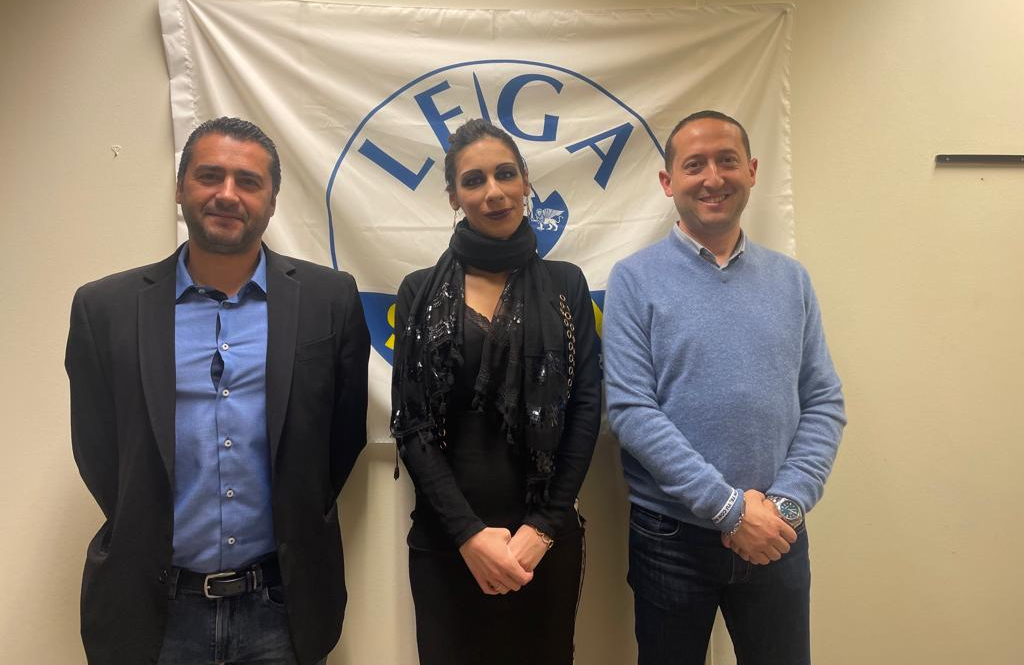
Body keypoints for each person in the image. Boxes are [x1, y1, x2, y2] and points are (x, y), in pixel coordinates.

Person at [65, 117, 370, 665]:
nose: (227, 194)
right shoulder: (105, 308)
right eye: (210, 176)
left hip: (283, 608)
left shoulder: (330, 300)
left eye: (248, 182)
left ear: (271, 201)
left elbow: (342, 439)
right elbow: (98, 451)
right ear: (180, 187)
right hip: (153, 613)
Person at [604, 110, 846, 665]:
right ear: (668, 182)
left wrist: (785, 505)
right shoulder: (634, 279)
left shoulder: (791, 280)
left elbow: (823, 402)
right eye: (694, 165)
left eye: (727, 161)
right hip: (671, 537)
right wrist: (730, 509)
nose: (712, 178)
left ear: (752, 171)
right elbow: (631, 410)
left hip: (778, 532)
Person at [391, 118, 601, 665]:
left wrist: (543, 527)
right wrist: (468, 534)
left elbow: (585, 409)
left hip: (544, 544)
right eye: (474, 180)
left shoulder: (566, 285)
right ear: (454, 196)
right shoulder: (418, 291)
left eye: (506, 174)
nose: (494, 192)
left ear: (526, 181)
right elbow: (411, 423)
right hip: (447, 543)